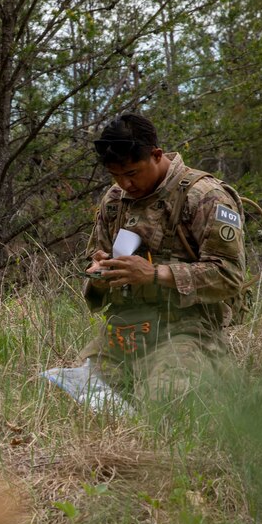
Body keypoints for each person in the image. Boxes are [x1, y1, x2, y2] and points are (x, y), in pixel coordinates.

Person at [79, 112, 246, 400]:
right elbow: (94, 264)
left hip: (186, 330)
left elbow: (230, 276)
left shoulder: (205, 196)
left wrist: (155, 274)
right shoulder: (114, 200)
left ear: (156, 155)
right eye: (115, 175)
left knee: (167, 399)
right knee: (74, 398)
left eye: (131, 173)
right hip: (124, 331)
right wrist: (100, 275)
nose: (125, 184)